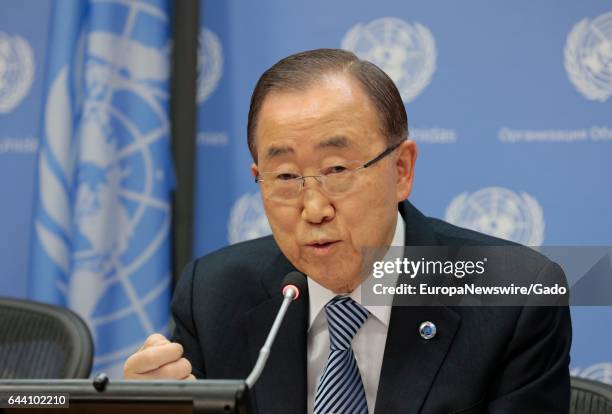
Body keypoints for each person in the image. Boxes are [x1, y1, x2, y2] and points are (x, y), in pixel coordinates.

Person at [124, 49, 571, 413]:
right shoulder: (213, 294)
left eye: (337, 169)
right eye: (284, 177)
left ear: (401, 170)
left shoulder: (516, 294)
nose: (314, 208)